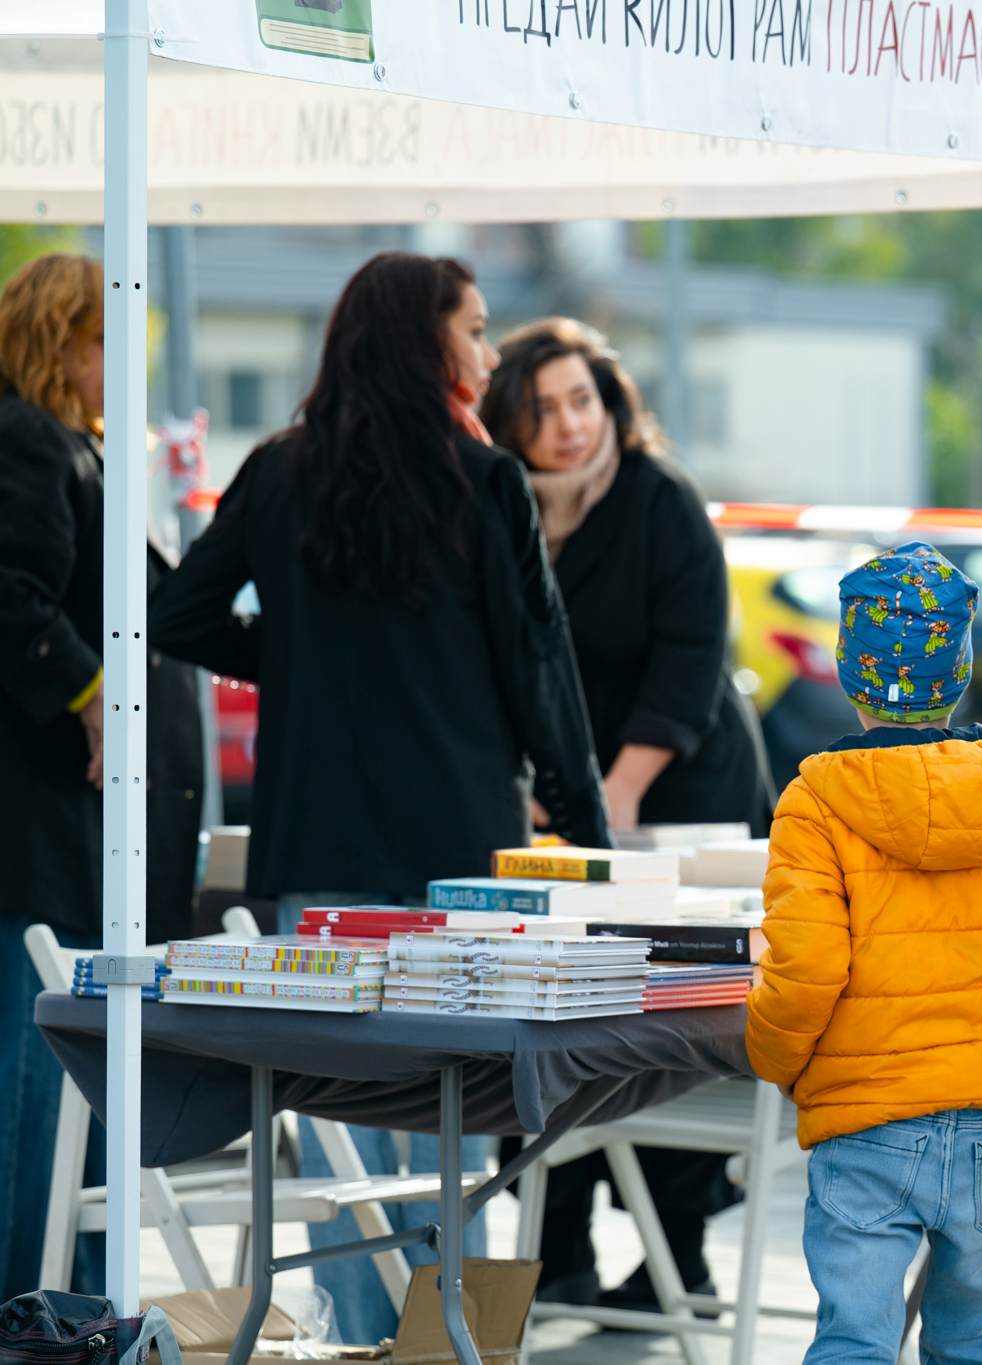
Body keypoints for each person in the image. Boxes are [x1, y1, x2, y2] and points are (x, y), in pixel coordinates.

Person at [151, 252, 610, 1342]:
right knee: (457, 1132)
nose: (488, 351)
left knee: (340, 1124)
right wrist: (587, 835)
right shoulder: (484, 480)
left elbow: (179, 615)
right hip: (460, 858)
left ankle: (358, 1344)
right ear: (424, 340)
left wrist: (295, 657)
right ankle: (448, 1347)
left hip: (319, 851)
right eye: (475, 329)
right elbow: (538, 668)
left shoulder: (279, 469)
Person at [480, 318, 772, 1313]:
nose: (568, 425)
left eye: (582, 400)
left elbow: (691, 657)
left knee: (667, 1019)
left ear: (610, 403)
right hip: (568, 801)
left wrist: (616, 793)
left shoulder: (658, 497)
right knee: (546, 1015)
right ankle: (552, 1249)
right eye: (541, 409)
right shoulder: (502, 503)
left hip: (682, 788)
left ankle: (676, 1258)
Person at [746, 542, 982, 1365]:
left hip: (867, 1115)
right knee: (976, 1335)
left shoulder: (815, 803)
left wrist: (775, 1059)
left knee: (855, 1339)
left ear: (849, 669)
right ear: (959, 669)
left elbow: (807, 968)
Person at [0, 252, 208, 1298]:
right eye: (104, 342)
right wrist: (91, 695)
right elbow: (12, 596)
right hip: (41, 836)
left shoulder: (65, 443)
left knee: (63, 1097)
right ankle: (35, 1304)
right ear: (62, 340)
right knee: (40, 1088)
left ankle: (64, 1295)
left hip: (71, 836)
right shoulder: (26, 439)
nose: (122, 366)